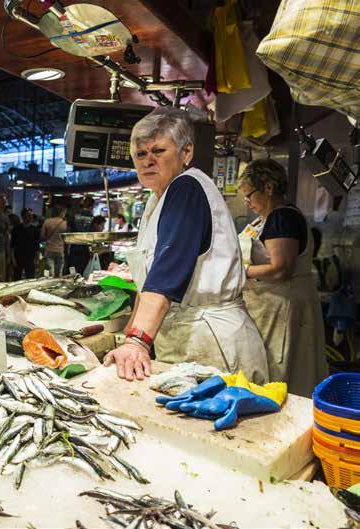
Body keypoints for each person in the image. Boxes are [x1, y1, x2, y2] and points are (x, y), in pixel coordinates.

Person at [103, 107, 268, 382]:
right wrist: (128, 337)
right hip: (191, 338)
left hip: (213, 343)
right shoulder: (159, 199)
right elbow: (150, 282)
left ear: (186, 153)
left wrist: (137, 341)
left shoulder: (186, 188)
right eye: (141, 155)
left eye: (158, 151)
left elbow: (168, 270)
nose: (148, 161)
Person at [238, 159, 327, 396]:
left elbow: (280, 269)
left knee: (284, 372)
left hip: (283, 310)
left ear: (268, 187)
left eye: (250, 195)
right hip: (271, 308)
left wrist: (240, 273)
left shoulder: (283, 218)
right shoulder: (266, 220)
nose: (248, 202)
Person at [11, 208, 40, 279]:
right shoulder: (16, 229)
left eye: (31, 215)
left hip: (30, 257)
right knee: (17, 278)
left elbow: (37, 245)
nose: (30, 217)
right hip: (18, 257)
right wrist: (12, 258)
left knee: (30, 278)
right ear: (23, 216)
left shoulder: (35, 229)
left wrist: (37, 259)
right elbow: (12, 245)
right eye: (28, 215)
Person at [41, 205, 68, 278]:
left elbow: (42, 236)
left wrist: (43, 248)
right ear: (61, 213)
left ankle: (50, 287)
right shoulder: (65, 223)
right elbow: (67, 239)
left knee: (50, 273)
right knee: (59, 273)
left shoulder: (47, 222)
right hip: (60, 250)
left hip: (49, 249)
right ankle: (58, 287)